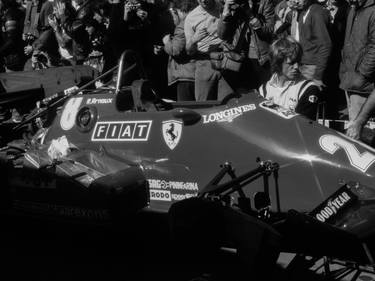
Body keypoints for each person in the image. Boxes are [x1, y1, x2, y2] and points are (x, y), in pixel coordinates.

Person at [217, 0, 275, 91]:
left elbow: (270, 31)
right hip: (237, 58)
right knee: (243, 97)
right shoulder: (230, 5)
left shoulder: (264, 3)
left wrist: (251, 15)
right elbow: (222, 35)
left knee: (264, 92)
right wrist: (226, 12)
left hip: (261, 59)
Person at [259, 37, 320, 120]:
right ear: (278, 63)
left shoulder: (308, 89)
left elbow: (303, 127)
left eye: (298, 62)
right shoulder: (263, 90)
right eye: (291, 63)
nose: (296, 67)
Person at [184, 0, 233, 101]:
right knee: (204, 104)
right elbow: (189, 51)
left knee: (231, 103)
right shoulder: (191, 17)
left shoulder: (224, 7)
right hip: (205, 64)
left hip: (226, 62)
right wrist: (193, 40)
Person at [339, 0, 375, 125]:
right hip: (350, 78)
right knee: (352, 124)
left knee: (359, 128)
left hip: (362, 84)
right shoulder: (353, 9)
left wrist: (363, 74)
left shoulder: (372, 11)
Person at [291, 0, 332, 88]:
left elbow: (325, 45)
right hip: (302, 65)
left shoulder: (317, 13)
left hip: (313, 68)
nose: (296, 1)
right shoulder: (303, 12)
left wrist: (318, 75)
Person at [161, 0, 197, 101]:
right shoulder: (197, 20)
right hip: (195, 73)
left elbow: (175, 50)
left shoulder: (183, 25)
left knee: (186, 110)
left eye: (175, 12)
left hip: (186, 75)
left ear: (181, 10)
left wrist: (167, 42)